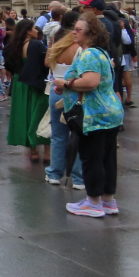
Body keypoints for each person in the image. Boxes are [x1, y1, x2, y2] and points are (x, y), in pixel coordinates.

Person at [55, 15, 124, 217]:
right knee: (107, 159)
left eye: (78, 29)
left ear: (90, 33)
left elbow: (90, 82)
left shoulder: (89, 54)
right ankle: (108, 200)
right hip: (109, 111)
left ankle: (93, 202)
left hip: (93, 115)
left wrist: (65, 84)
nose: (73, 32)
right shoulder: (101, 52)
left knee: (91, 158)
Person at [43, 11, 84, 188]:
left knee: (58, 135)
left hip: (54, 90)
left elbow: (46, 63)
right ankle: (78, 177)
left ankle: (54, 172)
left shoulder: (56, 45)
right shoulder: (79, 49)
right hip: (73, 91)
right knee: (78, 134)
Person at [5, 19, 51, 163]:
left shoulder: (12, 46)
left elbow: (8, 65)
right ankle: (48, 153)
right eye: (34, 28)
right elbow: (46, 63)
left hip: (19, 83)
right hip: (35, 83)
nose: (37, 30)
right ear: (28, 31)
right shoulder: (37, 44)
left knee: (25, 115)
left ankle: (33, 151)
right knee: (40, 115)